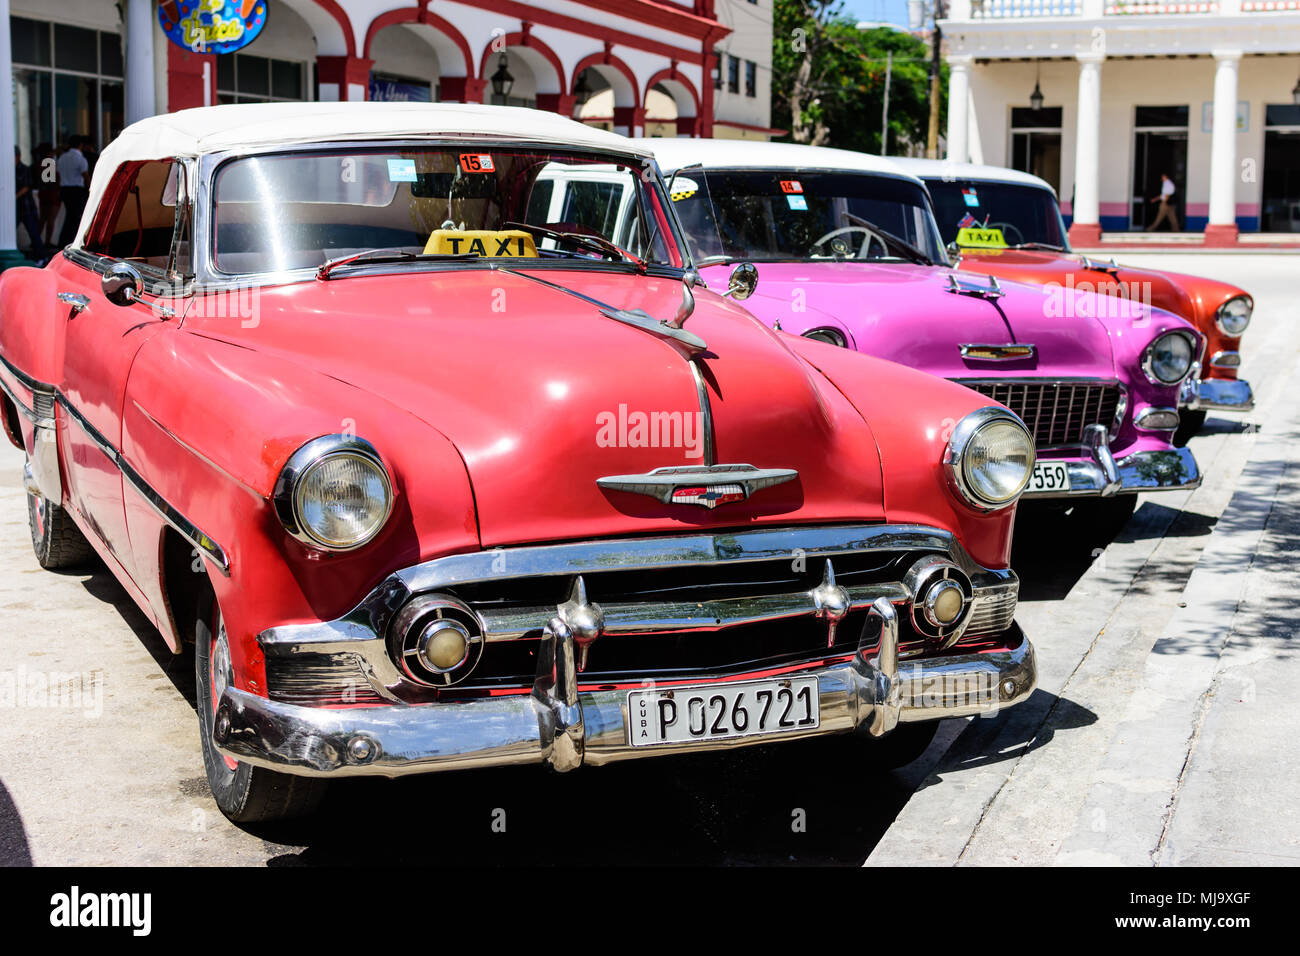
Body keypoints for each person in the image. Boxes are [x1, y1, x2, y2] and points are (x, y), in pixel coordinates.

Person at [56, 136, 91, 248]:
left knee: (71, 216)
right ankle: (71, 242)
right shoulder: (80, 159)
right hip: (76, 191)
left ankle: (65, 241)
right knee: (74, 217)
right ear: (80, 145)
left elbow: (57, 174)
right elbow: (86, 176)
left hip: (65, 190)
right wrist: (92, 189)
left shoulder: (62, 158)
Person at [15, 147, 47, 265]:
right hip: (17, 208)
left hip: (26, 207)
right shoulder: (10, 169)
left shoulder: (25, 169)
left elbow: (27, 186)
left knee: (33, 232)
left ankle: (42, 256)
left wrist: (15, 196)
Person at [35, 143, 60, 249]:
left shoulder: (39, 164)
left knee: (42, 219)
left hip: (44, 193)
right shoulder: (48, 163)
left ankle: (36, 240)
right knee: (50, 219)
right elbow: (51, 180)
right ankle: (46, 241)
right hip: (51, 193)